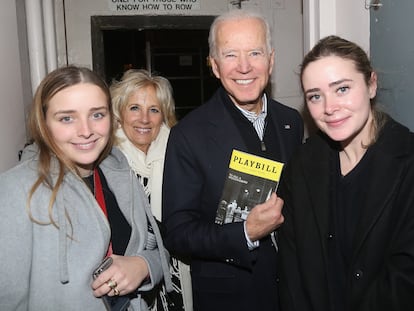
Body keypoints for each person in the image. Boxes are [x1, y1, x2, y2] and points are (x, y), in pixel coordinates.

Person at [162, 9, 304, 311]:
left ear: (271, 59)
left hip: (295, 290)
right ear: (214, 66)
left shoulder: (292, 122)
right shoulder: (188, 135)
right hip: (231, 297)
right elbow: (177, 233)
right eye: (230, 55)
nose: (244, 67)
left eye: (255, 52)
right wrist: (244, 234)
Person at [0, 65, 172, 310]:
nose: (86, 131)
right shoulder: (16, 191)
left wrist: (142, 266)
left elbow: (158, 249)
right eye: (67, 118)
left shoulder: (118, 173)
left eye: (97, 115)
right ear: (43, 122)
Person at [278, 35, 414, 311]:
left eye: (341, 89)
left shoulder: (407, 160)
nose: (329, 108)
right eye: (315, 96)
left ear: (371, 84)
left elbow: (405, 279)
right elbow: (292, 271)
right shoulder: (302, 164)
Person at [110, 69, 193, 311]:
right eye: (134, 108)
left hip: (176, 270)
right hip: (126, 278)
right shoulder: (106, 163)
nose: (144, 119)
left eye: (154, 110)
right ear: (119, 113)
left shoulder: (180, 156)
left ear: (164, 116)